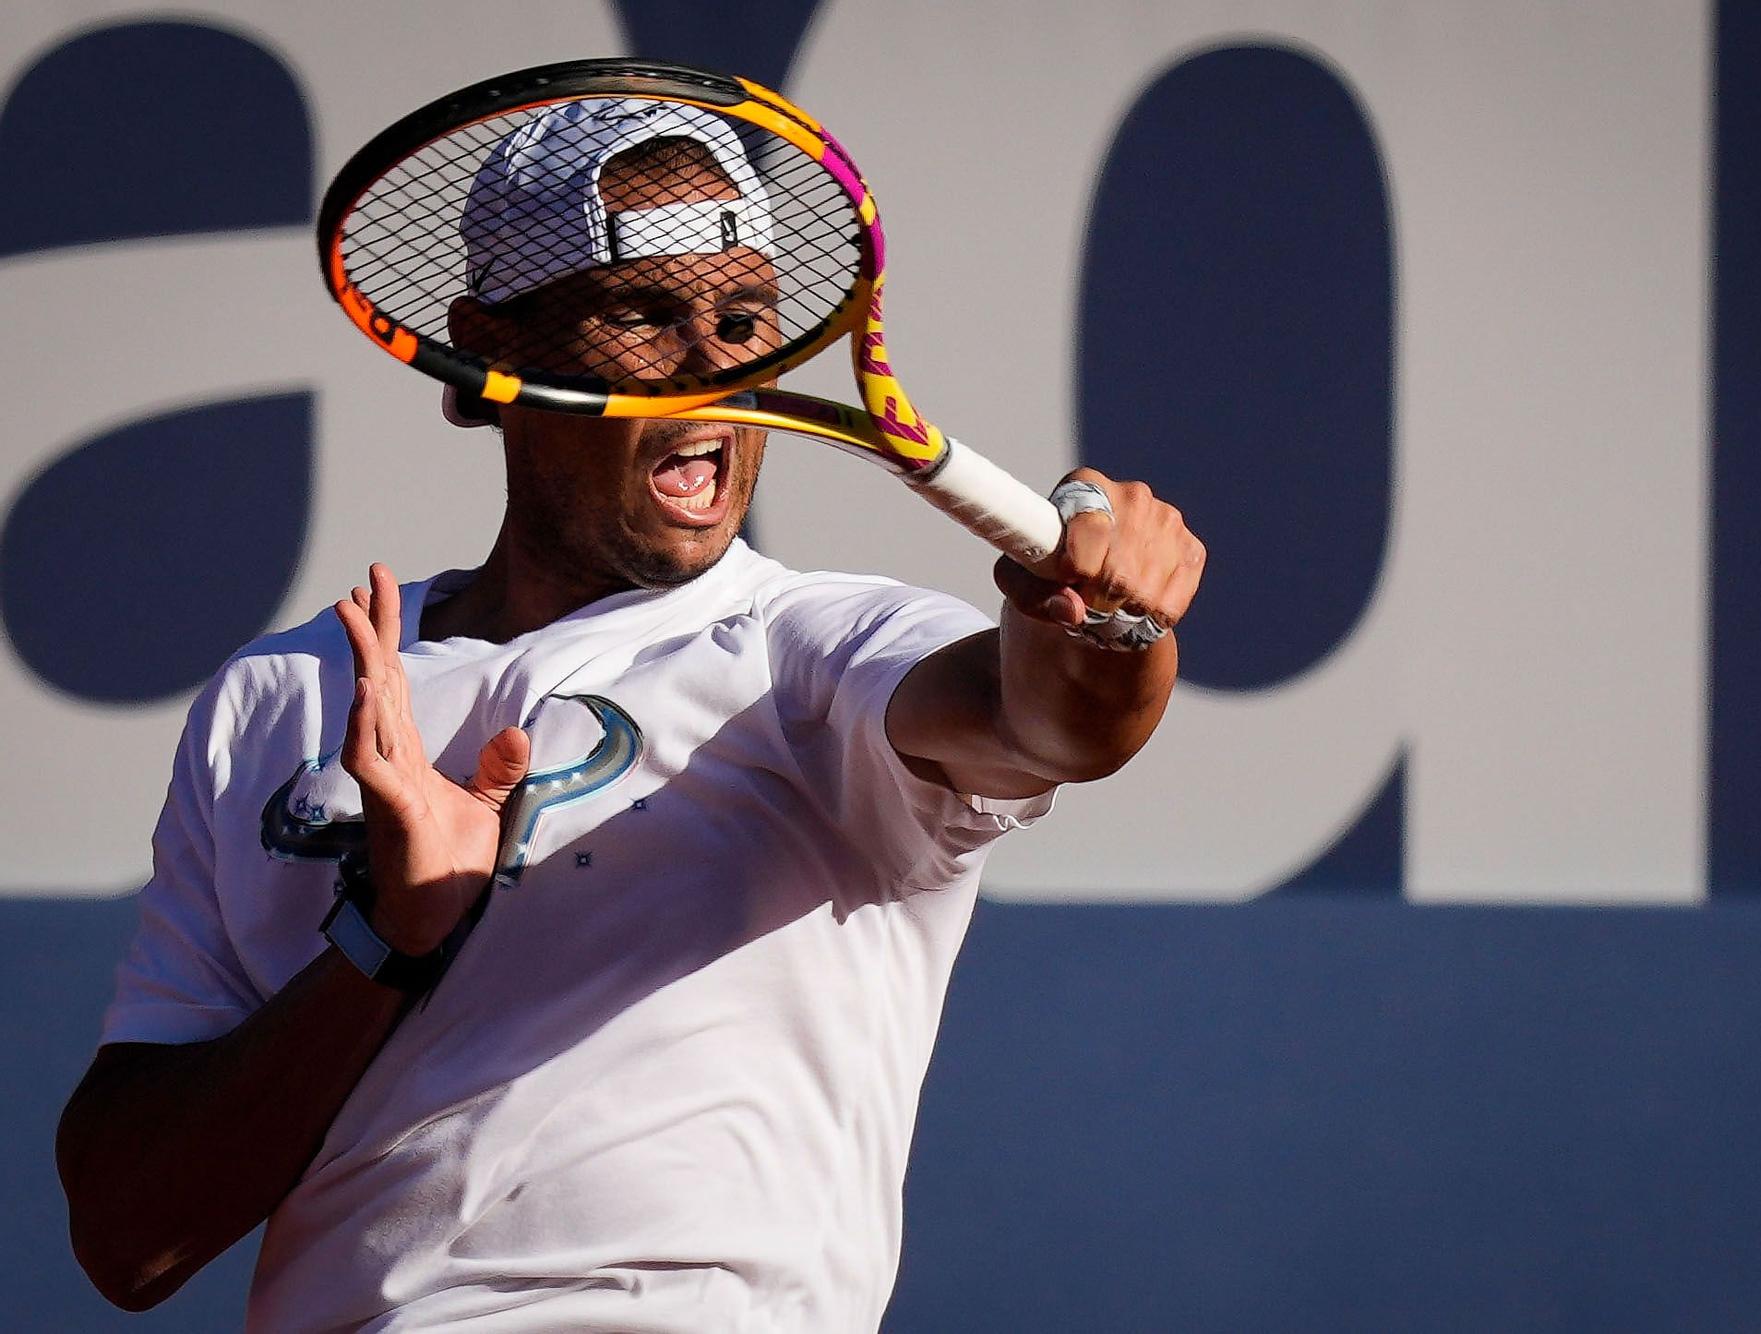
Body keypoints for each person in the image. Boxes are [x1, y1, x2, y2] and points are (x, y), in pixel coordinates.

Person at [55, 98, 1203, 1332]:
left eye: (745, 319)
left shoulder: (816, 650)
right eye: (646, 314)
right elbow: (132, 1237)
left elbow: (1054, 723)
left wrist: (1106, 627)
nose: (713, 364)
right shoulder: (279, 696)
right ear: (481, 358)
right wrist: (388, 937)